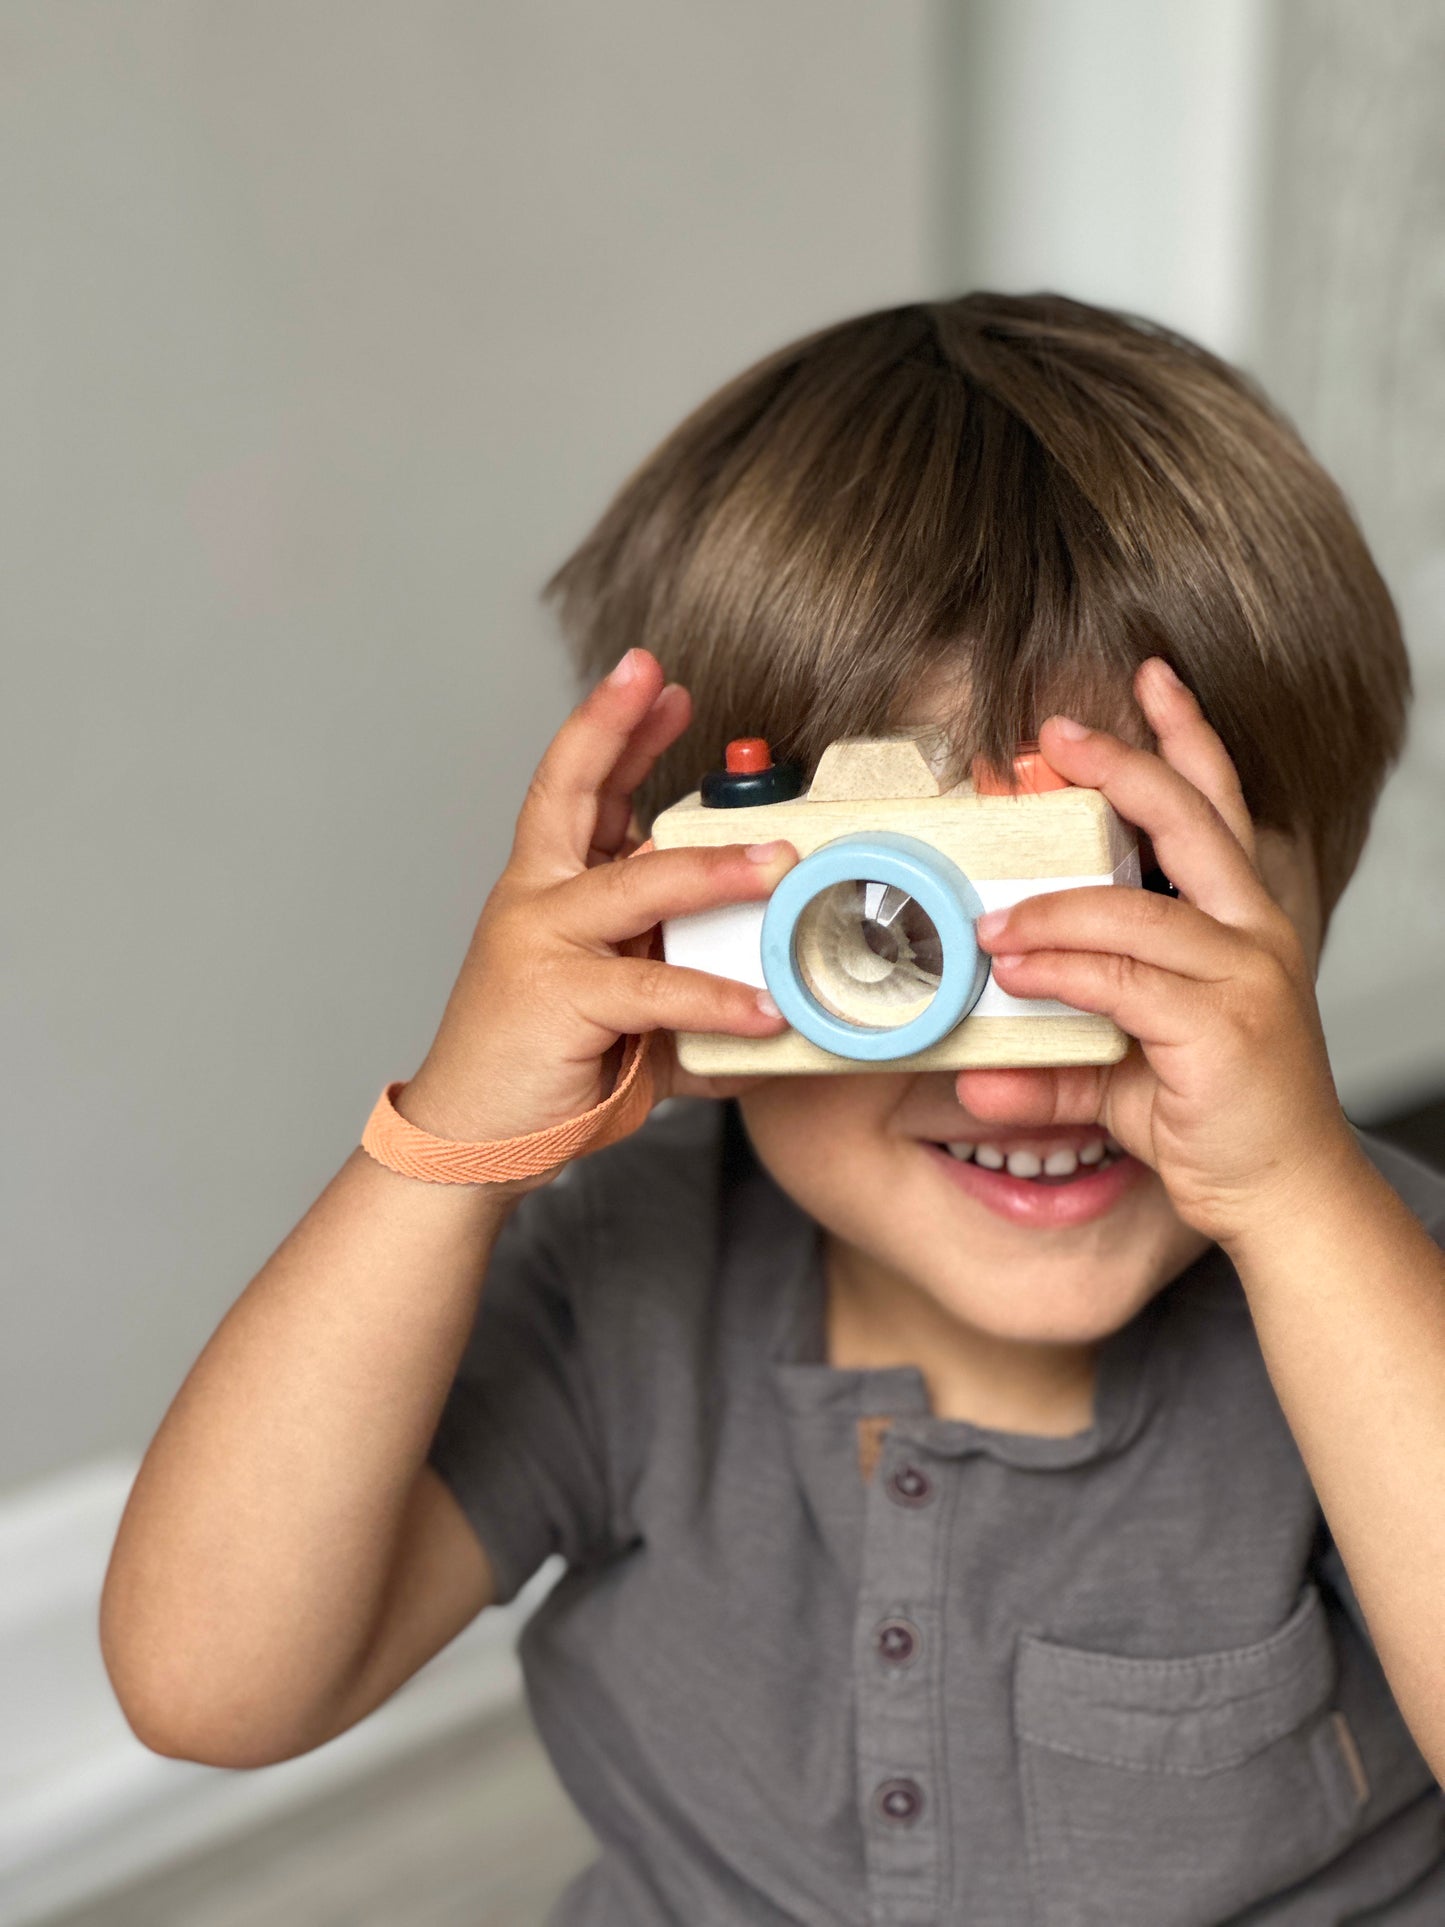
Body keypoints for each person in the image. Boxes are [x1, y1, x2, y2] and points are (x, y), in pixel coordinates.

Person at [101, 295, 1445, 1924]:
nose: (1023, 1070)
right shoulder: (627, 1275)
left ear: (1318, 903)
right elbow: (210, 1685)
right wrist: (453, 1147)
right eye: (889, 938)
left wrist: (1302, 1212)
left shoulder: (1384, 1290)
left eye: (1141, 916)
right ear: (682, 907)